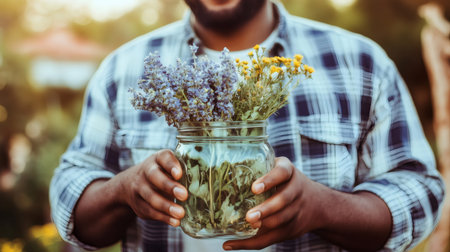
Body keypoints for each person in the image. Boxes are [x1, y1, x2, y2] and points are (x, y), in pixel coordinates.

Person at [49, 0, 445, 251]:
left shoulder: (360, 62)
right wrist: (123, 190)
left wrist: (323, 209)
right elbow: (71, 197)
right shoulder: (122, 70)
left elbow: (420, 189)